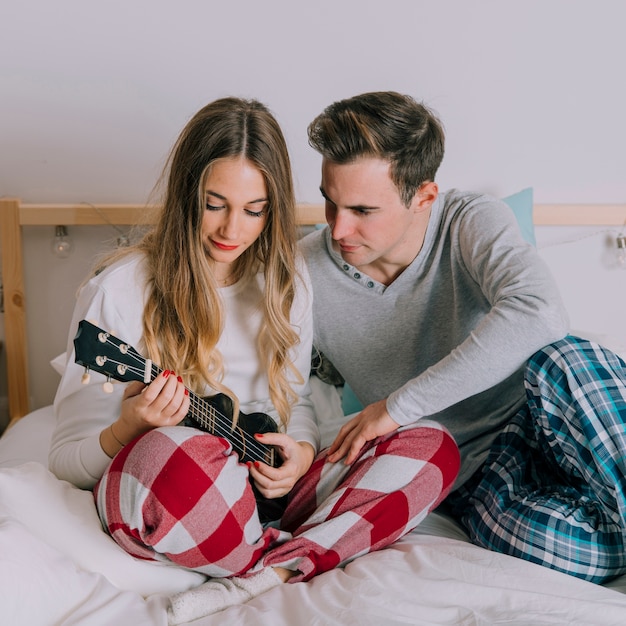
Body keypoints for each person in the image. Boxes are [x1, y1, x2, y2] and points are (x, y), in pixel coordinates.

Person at [49, 96, 460, 624]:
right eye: (214, 203)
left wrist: (302, 451)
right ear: (186, 194)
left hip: (264, 497)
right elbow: (65, 461)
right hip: (183, 485)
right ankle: (303, 551)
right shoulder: (122, 290)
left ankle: (266, 571)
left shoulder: (285, 282)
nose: (232, 231)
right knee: (173, 457)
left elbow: (295, 402)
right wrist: (129, 425)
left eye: (254, 210)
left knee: (431, 445)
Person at [300, 90, 626, 586]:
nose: (339, 227)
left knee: (566, 363)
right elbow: (278, 380)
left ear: (424, 197)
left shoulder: (469, 218)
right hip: (477, 474)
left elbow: (540, 313)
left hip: (551, 414)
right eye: (329, 200)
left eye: (363, 210)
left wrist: (395, 408)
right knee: (540, 543)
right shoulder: (301, 271)